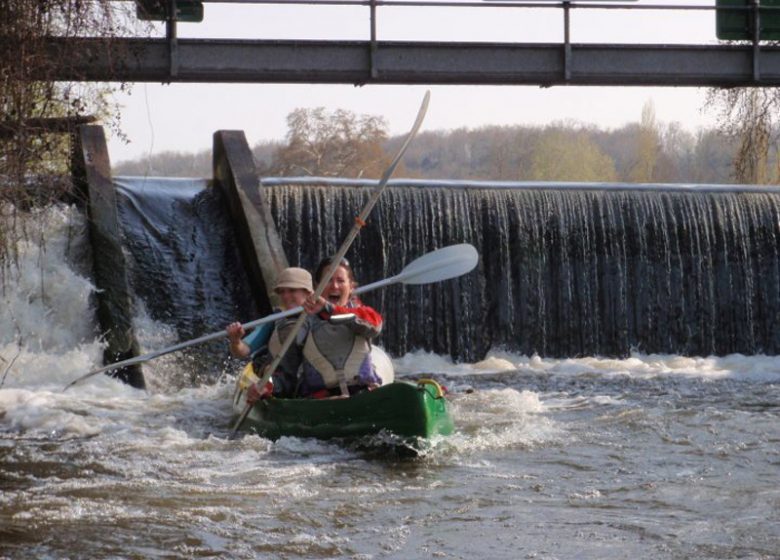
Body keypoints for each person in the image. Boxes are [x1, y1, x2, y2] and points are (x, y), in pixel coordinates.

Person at [300, 257, 384, 398]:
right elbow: (286, 370)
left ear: (351, 287)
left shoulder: (363, 314)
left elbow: (376, 326)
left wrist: (330, 308)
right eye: (328, 280)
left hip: (363, 394)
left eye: (341, 281)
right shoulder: (302, 322)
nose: (335, 286)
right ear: (317, 286)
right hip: (321, 400)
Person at [226, 267, 312, 403]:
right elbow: (242, 351)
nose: (286, 296)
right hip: (278, 383)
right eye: (282, 292)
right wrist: (235, 341)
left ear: (309, 294)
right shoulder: (274, 320)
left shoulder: (322, 317)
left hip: (309, 383)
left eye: (292, 290)